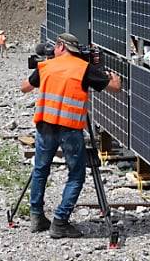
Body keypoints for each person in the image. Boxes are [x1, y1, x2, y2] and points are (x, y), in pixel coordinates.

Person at [19, 33, 120, 238]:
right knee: (76, 174)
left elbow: (24, 87)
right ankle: (60, 221)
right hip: (70, 128)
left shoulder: (46, 67)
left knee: (40, 170)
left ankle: (36, 216)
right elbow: (115, 88)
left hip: (45, 126)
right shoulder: (84, 69)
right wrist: (115, 78)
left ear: (60, 46)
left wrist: (45, 72)